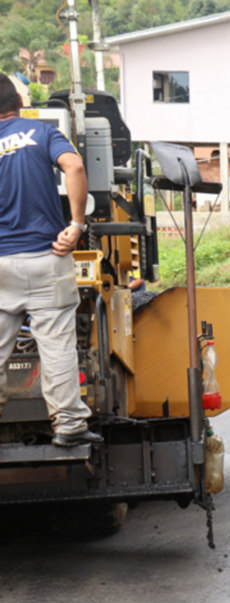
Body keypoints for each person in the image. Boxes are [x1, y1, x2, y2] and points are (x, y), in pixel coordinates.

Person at [0, 74, 102, 447]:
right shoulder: (40, 132)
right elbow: (74, 167)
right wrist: (76, 224)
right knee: (56, 343)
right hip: (47, 255)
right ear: (19, 105)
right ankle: (69, 426)